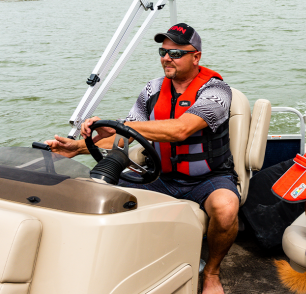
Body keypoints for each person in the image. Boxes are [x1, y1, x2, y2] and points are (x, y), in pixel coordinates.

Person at [45, 23, 238, 294]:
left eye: (176, 53)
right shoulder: (151, 90)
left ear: (196, 57)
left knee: (226, 208)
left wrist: (116, 124)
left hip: (208, 178)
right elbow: (127, 136)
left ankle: (212, 273)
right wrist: (77, 147)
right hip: (159, 176)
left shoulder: (217, 91)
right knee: (97, 195)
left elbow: (180, 130)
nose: (166, 58)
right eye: (163, 51)